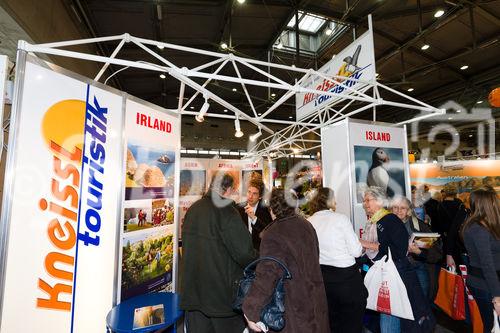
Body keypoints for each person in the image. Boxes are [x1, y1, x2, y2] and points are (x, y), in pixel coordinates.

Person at [242, 189, 329, 332]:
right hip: (315, 302)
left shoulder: (274, 233)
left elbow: (267, 274)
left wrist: (251, 309)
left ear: (272, 209)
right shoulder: (306, 225)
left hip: (292, 307)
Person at [180, 172, 257, 333]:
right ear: (228, 189)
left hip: (194, 296)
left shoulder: (193, 210)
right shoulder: (227, 212)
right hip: (221, 299)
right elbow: (245, 254)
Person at [360, 187, 435, 333]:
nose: (365, 204)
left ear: (380, 201)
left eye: (368, 200)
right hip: (389, 273)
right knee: (391, 312)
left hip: (396, 274)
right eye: (364, 201)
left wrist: (363, 243)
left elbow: (397, 251)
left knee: (391, 313)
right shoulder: (376, 221)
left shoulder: (389, 220)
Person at [308, 187, 367, 333]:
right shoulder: (340, 219)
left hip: (323, 281)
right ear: (329, 201)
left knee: (331, 324)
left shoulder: (308, 222)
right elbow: (356, 251)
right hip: (347, 280)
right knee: (352, 324)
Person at [462, 188, 500, 332]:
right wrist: (497, 296)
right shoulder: (477, 228)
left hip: (490, 282)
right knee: (491, 326)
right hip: (485, 285)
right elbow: (487, 264)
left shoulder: (489, 224)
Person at [390, 196, 443, 300]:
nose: (399, 211)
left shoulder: (418, 226)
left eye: (403, 208)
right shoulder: (386, 224)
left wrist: (418, 252)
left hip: (417, 267)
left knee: (422, 302)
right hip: (395, 270)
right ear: (391, 209)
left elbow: (435, 254)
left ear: (409, 211)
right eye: (395, 207)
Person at [237, 179, 272, 251]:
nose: (250, 196)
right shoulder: (238, 208)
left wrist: (254, 218)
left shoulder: (266, 210)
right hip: (242, 251)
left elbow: (268, 233)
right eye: (249, 192)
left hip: (259, 251)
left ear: (260, 196)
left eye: (254, 193)